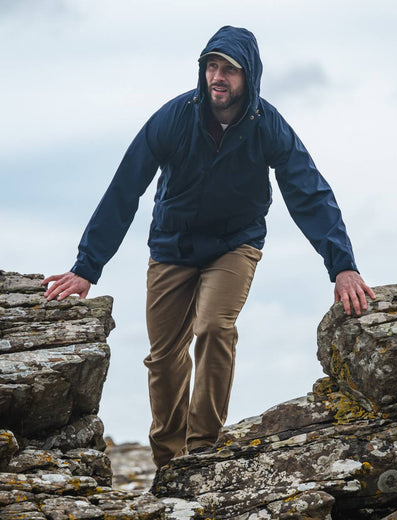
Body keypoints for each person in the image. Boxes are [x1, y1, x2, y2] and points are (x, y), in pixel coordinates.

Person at [43, 26, 375, 468]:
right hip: (171, 246)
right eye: (211, 67)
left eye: (229, 69)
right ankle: (168, 462)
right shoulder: (175, 117)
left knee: (214, 327)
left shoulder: (267, 125)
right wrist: (87, 266)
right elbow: (125, 188)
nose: (218, 77)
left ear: (249, 76)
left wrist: (342, 266)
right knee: (163, 359)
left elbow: (308, 192)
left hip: (233, 245)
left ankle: (202, 452)